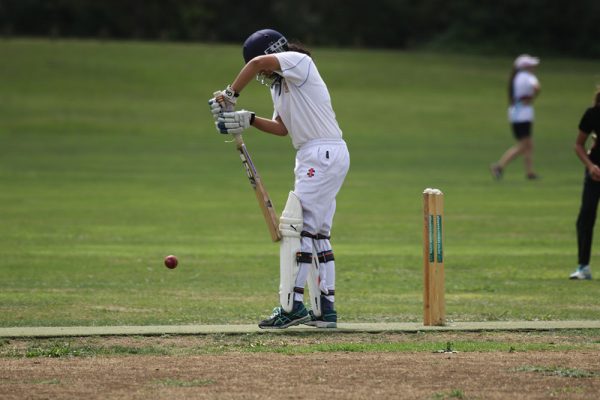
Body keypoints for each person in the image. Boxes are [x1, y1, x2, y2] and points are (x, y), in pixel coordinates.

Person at [208, 29, 350, 328]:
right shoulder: (281, 86)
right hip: (317, 153)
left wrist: (229, 95)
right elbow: (281, 127)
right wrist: (248, 119)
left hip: (321, 152)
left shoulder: (298, 61)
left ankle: (293, 307)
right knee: (318, 233)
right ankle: (326, 311)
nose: (263, 73)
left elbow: (257, 63)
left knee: (298, 230)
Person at [490, 54, 541, 180]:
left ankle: (529, 172)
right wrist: (532, 98)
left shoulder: (516, 77)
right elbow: (537, 87)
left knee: (528, 145)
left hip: (516, 114)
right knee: (524, 145)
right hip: (524, 115)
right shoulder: (528, 76)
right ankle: (499, 166)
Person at [570, 89, 600, 280]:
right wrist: (590, 166)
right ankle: (583, 266)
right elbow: (578, 144)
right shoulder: (593, 114)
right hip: (596, 172)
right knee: (586, 215)